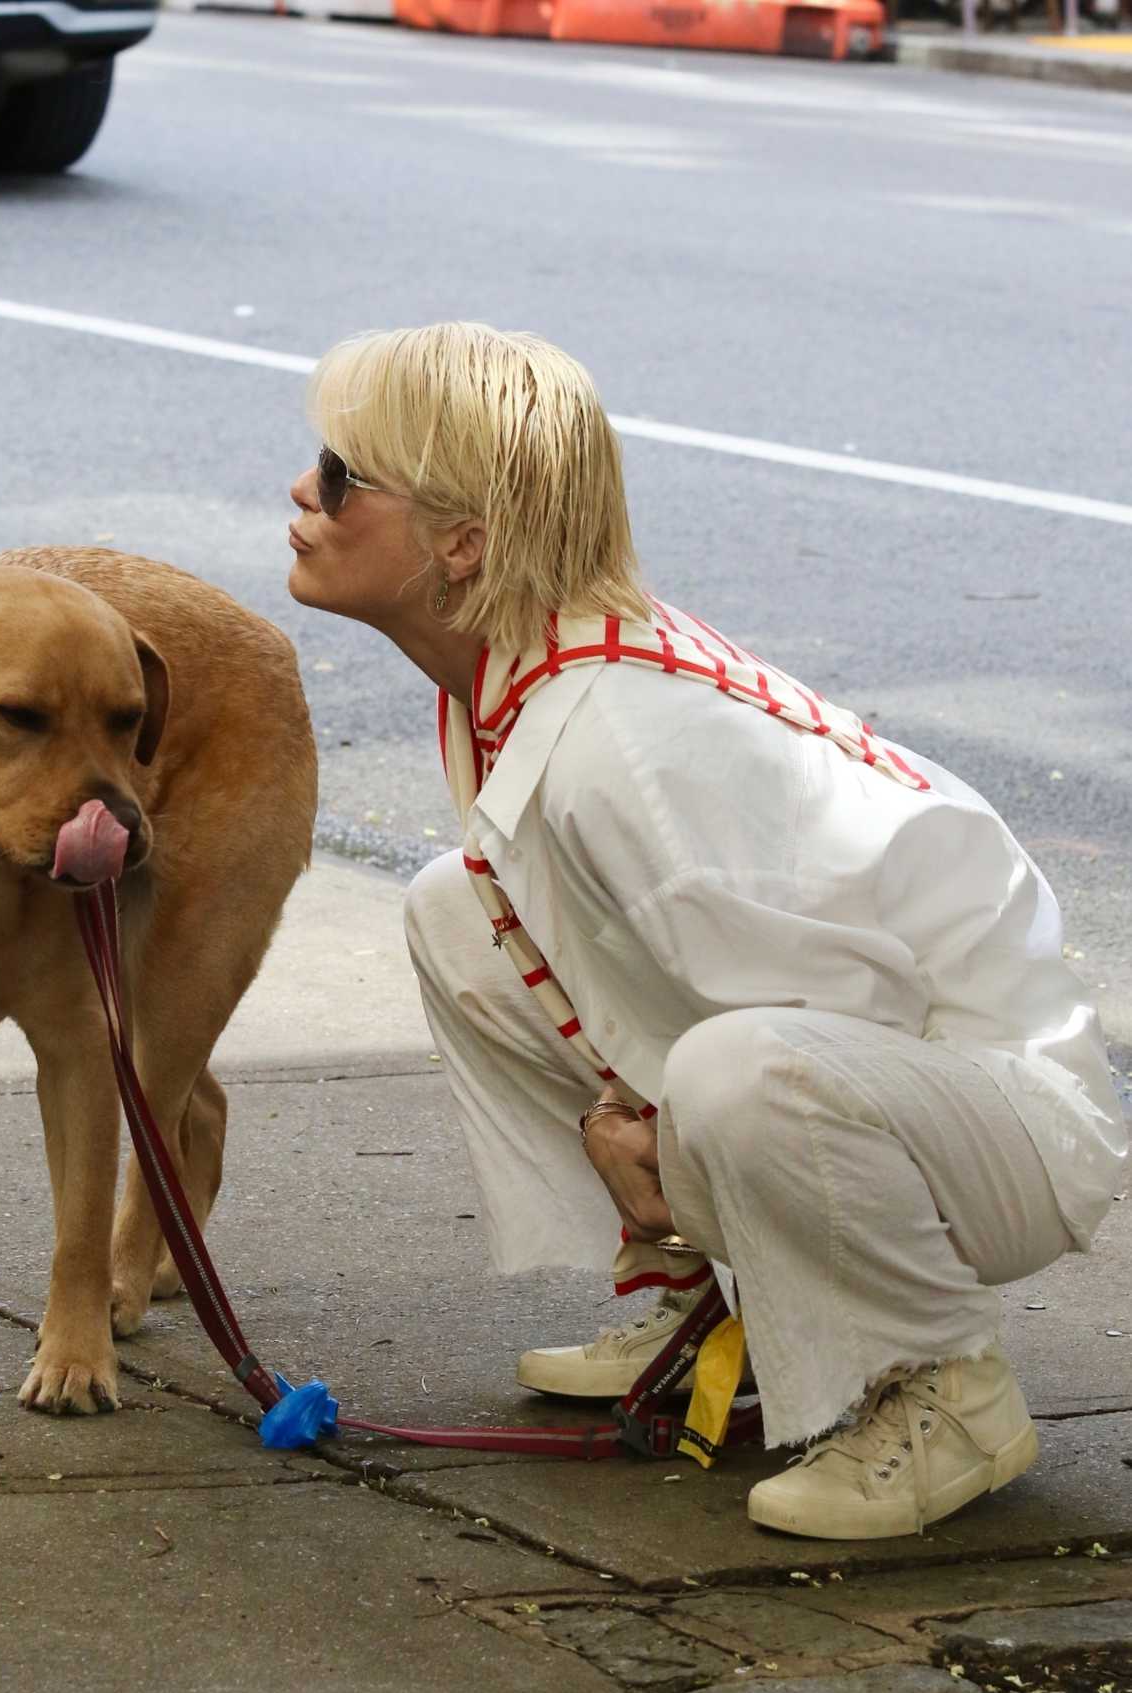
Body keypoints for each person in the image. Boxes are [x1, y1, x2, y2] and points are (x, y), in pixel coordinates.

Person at [286, 322, 1128, 1541]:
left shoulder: (613, 747)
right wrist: (645, 1145)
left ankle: (942, 1387)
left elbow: (828, 1034)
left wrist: (661, 1148)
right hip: (895, 1075)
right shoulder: (523, 675)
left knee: (737, 1074)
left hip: (1003, 1127)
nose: (302, 493)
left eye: (340, 474)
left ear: (460, 544)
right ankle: (706, 1312)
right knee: (454, 908)